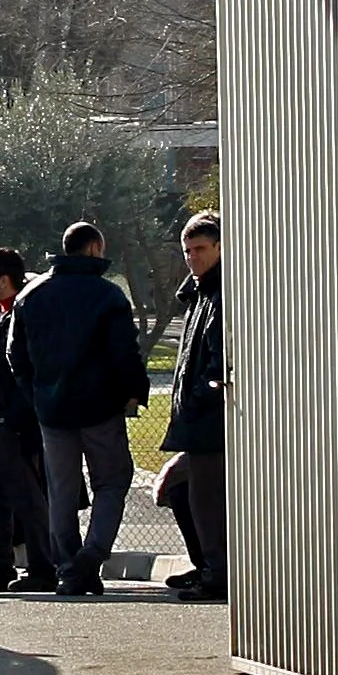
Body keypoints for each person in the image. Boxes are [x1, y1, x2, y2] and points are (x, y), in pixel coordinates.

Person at [9, 221, 148, 597]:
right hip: (100, 406)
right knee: (113, 481)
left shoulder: (31, 295)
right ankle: (92, 554)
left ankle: (69, 565)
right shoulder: (108, 296)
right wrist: (133, 390)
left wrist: (35, 394)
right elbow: (124, 352)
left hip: (52, 408)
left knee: (62, 490)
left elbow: (16, 355)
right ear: (94, 248)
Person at [0, 248, 56, 593]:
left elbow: (25, 371)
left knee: (25, 496)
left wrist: (16, 417)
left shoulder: (24, 314)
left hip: (11, 423)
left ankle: (42, 567)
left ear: (4, 279)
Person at [155, 213, 225, 602]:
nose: (192, 257)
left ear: (219, 247)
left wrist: (202, 396)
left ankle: (217, 573)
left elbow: (219, 358)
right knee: (182, 491)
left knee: (206, 498)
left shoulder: (222, 294)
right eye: (187, 251)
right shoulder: (198, 294)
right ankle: (206, 565)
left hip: (212, 419)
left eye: (200, 249)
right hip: (197, 418)